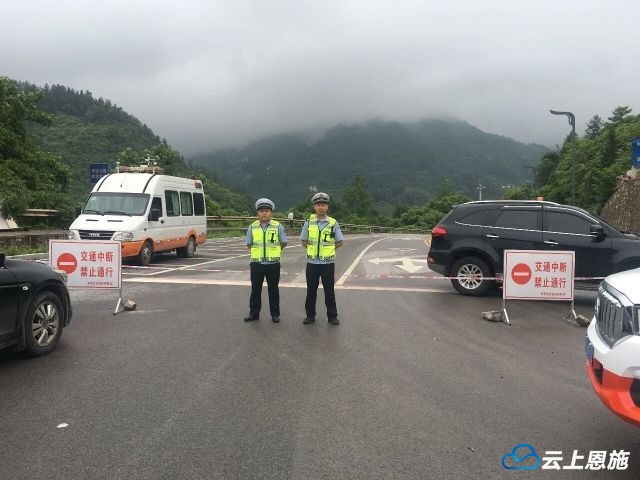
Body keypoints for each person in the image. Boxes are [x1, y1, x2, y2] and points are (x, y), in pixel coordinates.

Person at [300, 192, 344, 325]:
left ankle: (332, 316)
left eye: (323, 204)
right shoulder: (309, 222)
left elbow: (339, 241)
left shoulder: (333, 223)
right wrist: (313, 250)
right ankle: (310, 316)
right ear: (314, 207)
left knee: (329, 290)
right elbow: (304, 241)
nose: (321, 207)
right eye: (318, 204)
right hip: (312, 263)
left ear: (327, 207)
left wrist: (328, 250)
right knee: (311, 290)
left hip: (328, 263)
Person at [244, 198, 287, 323]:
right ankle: (254, 314)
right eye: (261, 211)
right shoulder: (252, 227)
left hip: (273, 264)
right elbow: (249, 244)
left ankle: (275, 314)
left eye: (267, 211)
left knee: (273, 290)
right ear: (258, 213)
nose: (264, 213)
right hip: (256, 264)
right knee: (255, 290)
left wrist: (273, 252)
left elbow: (283, 243)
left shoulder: (278, 226)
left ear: (271, 213)